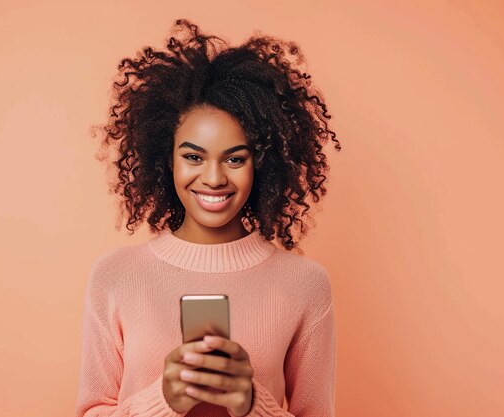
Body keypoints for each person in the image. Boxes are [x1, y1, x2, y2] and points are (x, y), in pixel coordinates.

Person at [75, 18, 342, 417]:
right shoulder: (115, 275)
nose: (214, 178)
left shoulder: (306, 285)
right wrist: (162, 401)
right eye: (193, 156)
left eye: (235, 158)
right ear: (167, 159)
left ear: (262, 164)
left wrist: (253, 405)